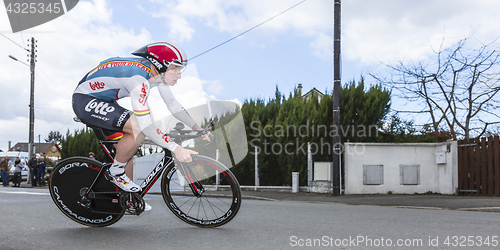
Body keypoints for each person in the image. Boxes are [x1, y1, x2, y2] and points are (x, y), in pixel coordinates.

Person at [72, 42, 208, 197]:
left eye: (180, 70)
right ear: (160, 64)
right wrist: (176, 149)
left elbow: (173, 105)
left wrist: (197, 127)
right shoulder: (138, 78)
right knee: (137, 129)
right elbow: (144, 125)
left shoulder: (155, 73)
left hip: (104, 100)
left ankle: (129, 200)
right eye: (176, 69)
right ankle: (114, 173)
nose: (179, 75)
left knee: (126, 154)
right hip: (85, 100)